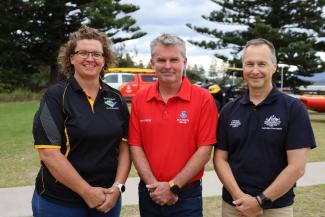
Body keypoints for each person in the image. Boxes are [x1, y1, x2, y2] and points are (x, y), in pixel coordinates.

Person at [32, 26, 131, 217]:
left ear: (104, 60)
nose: (90, 59)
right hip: (60, 202)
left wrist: (118, 188)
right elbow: (48, 153)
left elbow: (125, 146)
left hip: (107, 199)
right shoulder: (55, 96)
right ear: (71, 58)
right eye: (83, 53)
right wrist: (87, 192)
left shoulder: (116, 98)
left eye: (96, 54)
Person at [214, 38, 316, 217]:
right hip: (234, 206)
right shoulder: (229, 110)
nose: (255, 70)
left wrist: (260, 201)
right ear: (243, 68)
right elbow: (220, 160)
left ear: (274, 66)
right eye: (249, 64)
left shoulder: (294, 109)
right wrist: (240, 197)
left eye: (262, 64)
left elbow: (297, 167)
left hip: (276, 207)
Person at [128, 33, 218, 217]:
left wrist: (173, 186)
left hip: (187, 194)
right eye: (161, 60)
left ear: (185, 62)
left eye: (174, 60)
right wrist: (155, 187)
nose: (167, 66)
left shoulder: (203, 99)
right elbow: (135, 147)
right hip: (149, 192)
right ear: (152, 63)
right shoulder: (139, 100)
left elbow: (204, 150)